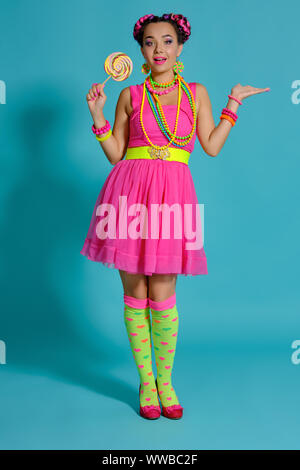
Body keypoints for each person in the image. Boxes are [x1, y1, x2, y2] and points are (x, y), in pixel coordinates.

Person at [80, 13, 270, 420]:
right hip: (129, 194)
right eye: (150, 43)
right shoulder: (129, 94)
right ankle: (146, 384)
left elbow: (211, 146)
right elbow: (116, 153)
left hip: (172, 199)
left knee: (163, 292)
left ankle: (165, 381)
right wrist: (97, 114)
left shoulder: (196, 92)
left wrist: (232, 103)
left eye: (167, 41)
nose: (159, 49)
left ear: (180, 47)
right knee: (136, 294)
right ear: (141, 51)